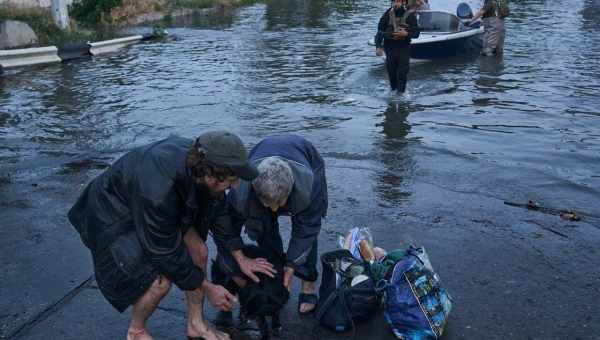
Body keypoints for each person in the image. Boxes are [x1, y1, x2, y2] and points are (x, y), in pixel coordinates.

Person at [67, 131, 259, 340]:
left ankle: (196, 323)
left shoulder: (202, 167)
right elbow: (164, 251)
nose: (234, 186)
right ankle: (136, 331)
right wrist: (209, 287)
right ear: (211, 174)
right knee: (159, 281)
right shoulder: (158, 189)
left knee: (200, 252)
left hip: (153, 204)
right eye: (231, 179)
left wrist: (241, 257)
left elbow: (219, 213)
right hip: (112, 212)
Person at [212, 134, 328, 323]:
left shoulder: (309, 187)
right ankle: (275, 271)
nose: (275, 210)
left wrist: (291, 266)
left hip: (305, 157)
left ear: (290, 191)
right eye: (268, 203)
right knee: (263, 226)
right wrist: (235, 267)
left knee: (306, 231)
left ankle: (309, 283)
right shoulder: (241, 192)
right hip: (262, 160)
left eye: (280, 203)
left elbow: (306, 230)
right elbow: (225, 230)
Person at [375, 0, 420, 93]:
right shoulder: (387, 14)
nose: (396, 4)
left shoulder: (409, 15)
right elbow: (379, 31)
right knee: (391, 72)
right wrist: (378, 46)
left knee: (402, 72)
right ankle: (393, 93)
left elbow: (416, 33)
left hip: (403, 47)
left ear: (403, 2)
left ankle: (401, 95)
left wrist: (406, 33)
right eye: (394, 1)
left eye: (398, 1)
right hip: (390, 47)